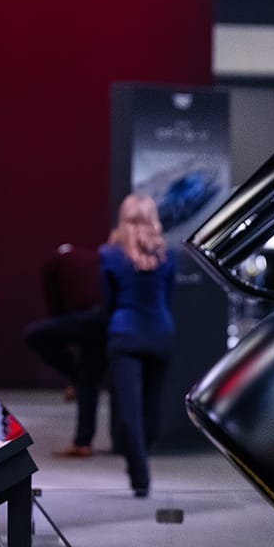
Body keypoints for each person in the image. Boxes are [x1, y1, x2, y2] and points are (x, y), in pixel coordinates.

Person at [99, 193, 176, 497]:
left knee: (128, 411)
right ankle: (142, 461)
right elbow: (168, 296)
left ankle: (140, 477)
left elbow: (108, 300)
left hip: (124, 334)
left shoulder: (109, 254)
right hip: (160, 333)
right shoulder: (168, 256)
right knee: (151, 410)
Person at [23, 242, 107, 457]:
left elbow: (55, 306)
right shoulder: (93, 258)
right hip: (105, 321)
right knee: (88, 382)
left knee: (34, 335)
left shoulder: (52, 264)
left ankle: (74, 377)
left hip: (83, 319)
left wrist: (65, 335)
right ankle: (83, 442)